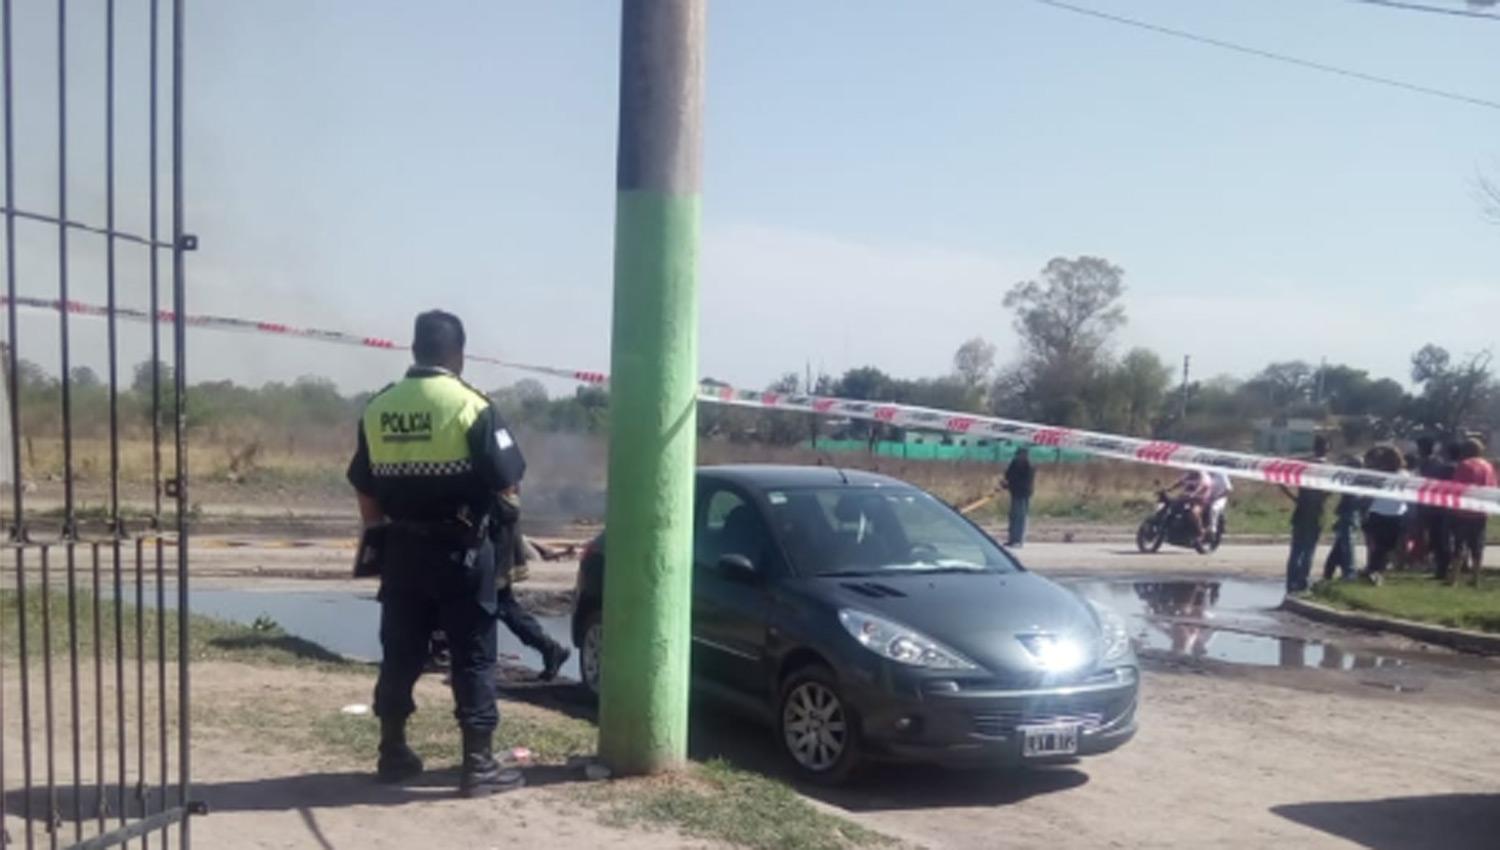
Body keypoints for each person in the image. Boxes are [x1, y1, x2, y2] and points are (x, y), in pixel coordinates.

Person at [347, 310, 526, 796]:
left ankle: (393, 753)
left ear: (414, 350)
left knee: (400, 653)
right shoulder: (472, 406)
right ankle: (479, 766)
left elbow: (364, 486)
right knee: (472, 656)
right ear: (459, 354)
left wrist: (381, 534)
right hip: (462, 553)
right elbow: (509, 476)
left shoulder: (379, 408)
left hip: (402, 552)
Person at [1280, 435, 1331, 593]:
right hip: (1315, 511)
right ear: (1327, 448)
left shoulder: (1305, 465)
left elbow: (1281, 480)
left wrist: (1294, 497)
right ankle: (1302, 582)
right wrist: (1324, 496)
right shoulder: (1328, 468)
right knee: (1308, 550)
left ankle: (1291, 581)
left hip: (1301, 509)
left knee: (1296, 549)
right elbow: (1333, 488)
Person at [1450, 438, 1497, 584]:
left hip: (1464, 509)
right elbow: (1493, 486)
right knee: (1477, 545)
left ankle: (1454, 578)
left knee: (1459, 544)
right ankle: (1476, 577)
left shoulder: (1463, 465)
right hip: (1481, 510)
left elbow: (1456, 486)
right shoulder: (1488, 466)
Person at [1360, 445, 1408, 585]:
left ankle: (1375, 570)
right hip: (1395, 514)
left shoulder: (1381, 475)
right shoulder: (1404, 476)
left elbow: (1369, 493)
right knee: (1386, 547)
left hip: (1379, 512)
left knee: (1379, 546)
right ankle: (1376, 571)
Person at [1413, 435, 1455, 580]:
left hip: (1437, 508)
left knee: (1439, 539)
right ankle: (1438, 567)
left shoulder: (1436, 465)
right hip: (1428, 506)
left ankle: (1442, 569)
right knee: (1434, 538)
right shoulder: (1426, 463)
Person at [1322, 456, 1366, 582]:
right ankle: (1328, 572)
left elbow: (1353, 499)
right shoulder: (1353, 479)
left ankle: (1349, 573)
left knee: (1347, 544)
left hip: (1350, 515)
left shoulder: (1357, 480)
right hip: (1347, 514)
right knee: (1340, 545)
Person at [1165, 469, 1212, 544]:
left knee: (1193, 513)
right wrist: (1169, 489)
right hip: (1186, 498)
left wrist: (1194, 493)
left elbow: (1201, 486)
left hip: (1200, 500)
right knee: (1171, 507)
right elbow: (1180, 482)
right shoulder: (1189, 474)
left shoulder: (1204, 477)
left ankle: (1201, 532)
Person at [1001, 447, 1035, 546]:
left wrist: (1009, 484)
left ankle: (1018, 540)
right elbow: (1008, 475)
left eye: (1021, 455)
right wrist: (1005, 483)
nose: (1019, 457)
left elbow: (1022, 481)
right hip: (1015, 493)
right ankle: (1012, 538)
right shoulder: (1014, 464)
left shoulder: (1028, 466)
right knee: (1013, 516)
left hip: (1023, 493)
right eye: (1018, 455)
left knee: (1020, 516)